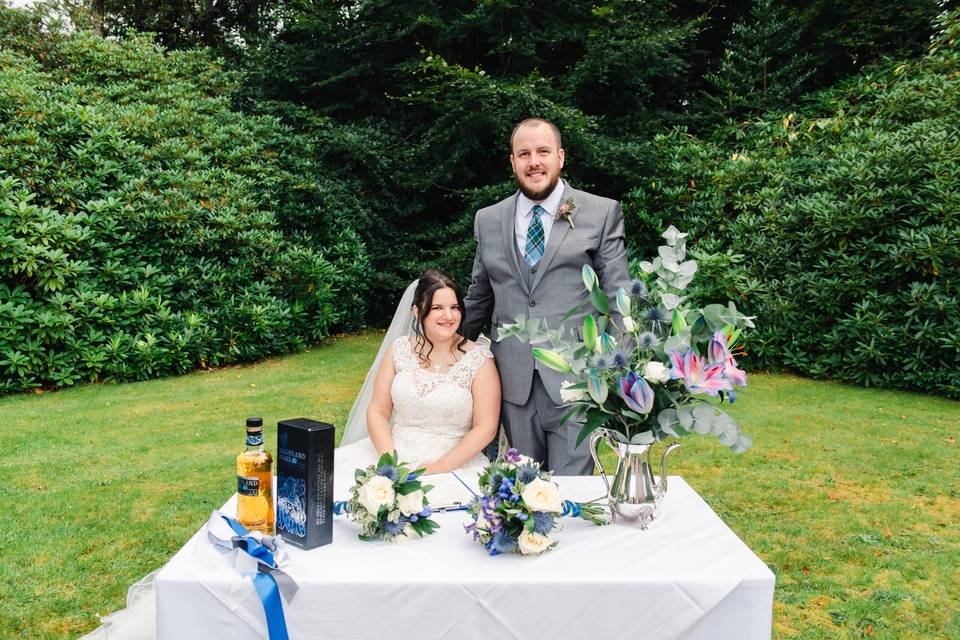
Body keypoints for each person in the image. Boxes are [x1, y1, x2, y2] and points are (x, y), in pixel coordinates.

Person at [461, 117, 630, 475]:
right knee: (520, 495)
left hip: (578, 383)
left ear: (561, 157)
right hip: (512, 384)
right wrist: (444, 352)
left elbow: (619, 298)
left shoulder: (601, 213)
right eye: (524, 154)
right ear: (512, 162)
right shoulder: (488, 220)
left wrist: (617, 374)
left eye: (543, 152)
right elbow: (479, 297)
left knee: (572, 498)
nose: (534, 162)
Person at [338, 269, 500, 474]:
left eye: (455, 307)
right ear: (417, 311)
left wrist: (436, 469)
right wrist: (390, 463)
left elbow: (485, 428)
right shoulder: (399, 350)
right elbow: (378, 411)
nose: (448, 316)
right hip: (391, 453)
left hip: (454, 463)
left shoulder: (479, 359)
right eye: (437, 308)